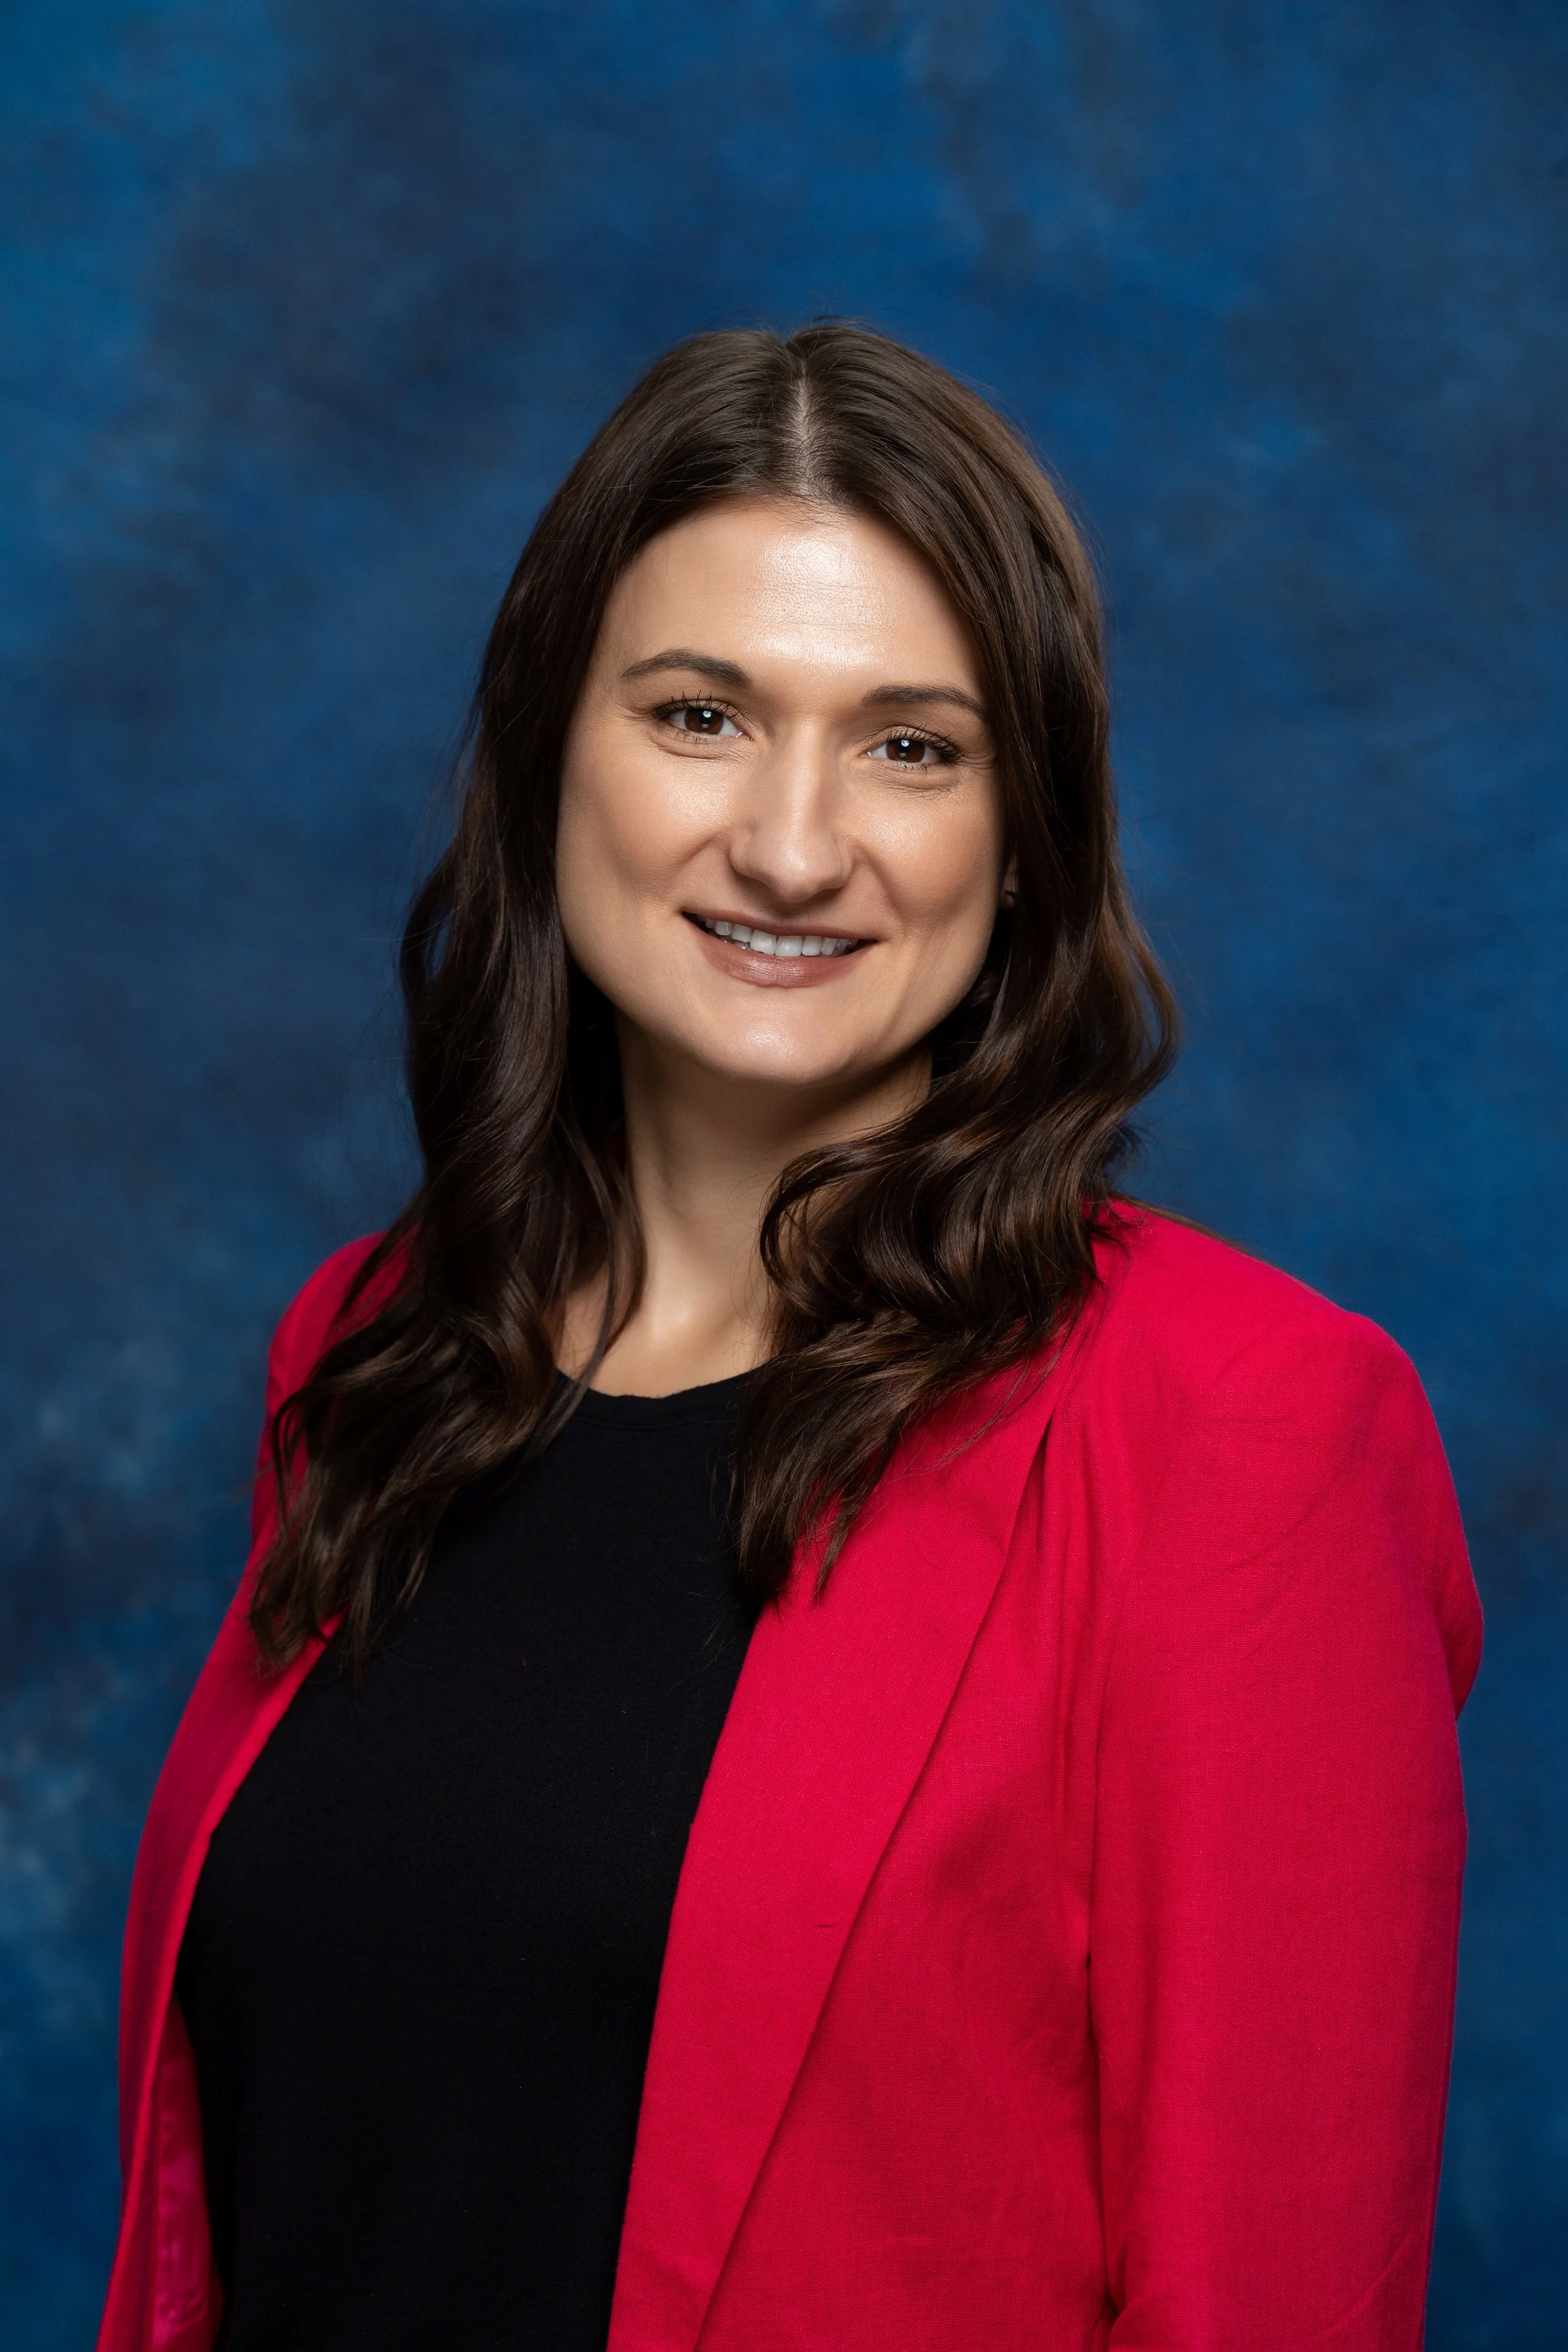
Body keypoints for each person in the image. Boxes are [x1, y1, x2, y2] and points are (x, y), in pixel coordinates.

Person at [96, 322, 1481, 2352]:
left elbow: (1272, 2302)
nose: (793, 842)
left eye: (912, 744)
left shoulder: (1241, 1428)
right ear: (544, 744)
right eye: (698, 714)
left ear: (1021, 843)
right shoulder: (381, 1354)